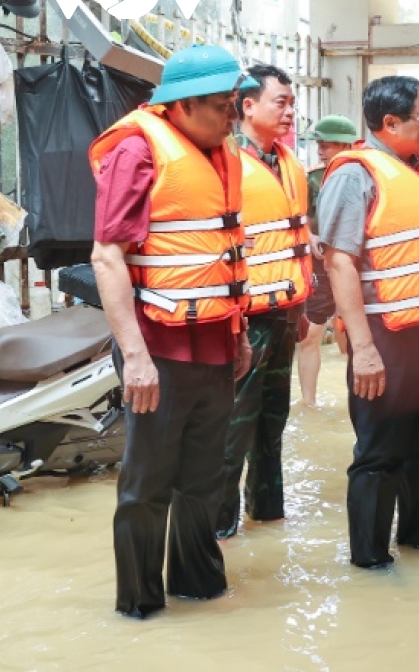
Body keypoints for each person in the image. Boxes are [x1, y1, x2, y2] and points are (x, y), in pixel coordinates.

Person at [89, 44, 256, 618]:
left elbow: (220, 254)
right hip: (156, 347)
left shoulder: (221, 150)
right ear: (182, 106)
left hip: (214, 342)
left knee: (204, 478)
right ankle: (139, 605)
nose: (232, 119)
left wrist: (239, 334)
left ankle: (200, 587)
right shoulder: (137, 150)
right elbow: (107, 257)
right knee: (148, 482)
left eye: (235, 107)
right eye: (223, 108)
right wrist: (134, 358)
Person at [316, 76, 419, 568]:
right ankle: (369, 561)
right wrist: (363, 350)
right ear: (389, 124)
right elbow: (339, 262)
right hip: (386, 337)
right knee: (379, 453)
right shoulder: (355, 175)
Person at [214, 64, 314, 539]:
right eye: (282, 102)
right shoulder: (224, 162)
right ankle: (219, 532)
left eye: (293, 103)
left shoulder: (290, 164)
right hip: (245, 318)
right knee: (233, 429)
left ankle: (268, 516)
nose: (290, 112)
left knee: (273, 422)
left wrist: (302, 311)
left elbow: (301, 237)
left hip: (285, 313)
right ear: (247, 106)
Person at [297, 115, 360, 407]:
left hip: (355, 267)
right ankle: (309, 404)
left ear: (346, 144)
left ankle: (358, 402)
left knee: (352, 339)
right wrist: (310, 237)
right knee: (310, 334)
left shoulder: (365, 176)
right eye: (319, 144)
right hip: (320, 267)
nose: (320, 150)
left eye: (327, 144)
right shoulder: (311, 179)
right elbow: (301, 219)